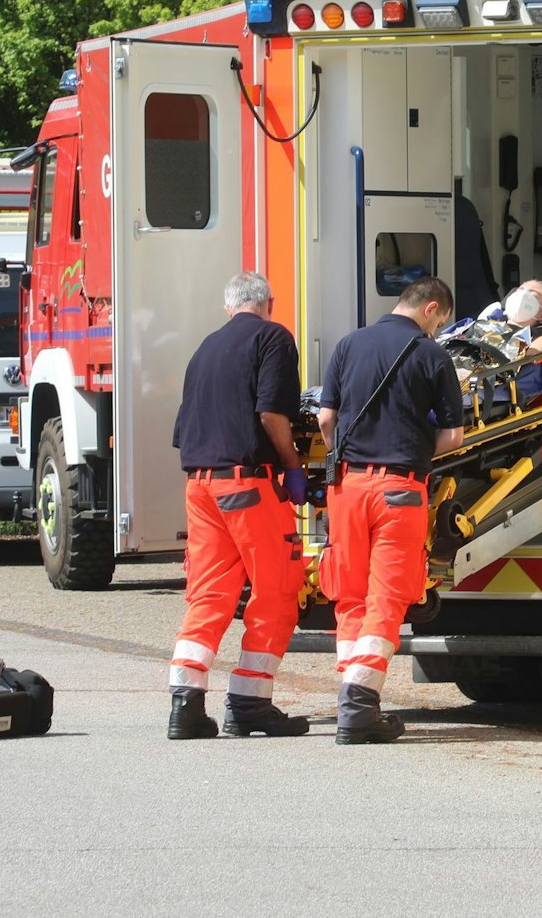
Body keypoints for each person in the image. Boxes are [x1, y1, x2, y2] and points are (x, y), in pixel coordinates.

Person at [317, 275, 465, 744]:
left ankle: (351, 693)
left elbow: (326, 418)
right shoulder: (432, 355)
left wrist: (347, 454)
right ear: (431, 308)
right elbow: (453, 436)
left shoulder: (348, 344)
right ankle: (360, 705)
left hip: (346, 487)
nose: (437, 330)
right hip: (399, 491)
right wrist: (412, 450)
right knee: (387, 596)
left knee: (350, 594)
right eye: (439, 322)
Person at [166, 272, 310, 740]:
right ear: (270, 302)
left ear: (228, 308)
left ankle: (185, 703)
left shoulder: (205, 348)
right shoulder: (273, 338)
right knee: (276, 587)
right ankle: (250, 701)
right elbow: (271, 413)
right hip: (246, 485)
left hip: (199, 485)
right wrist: (292, 464)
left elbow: (183, 429)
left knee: (209, 593)